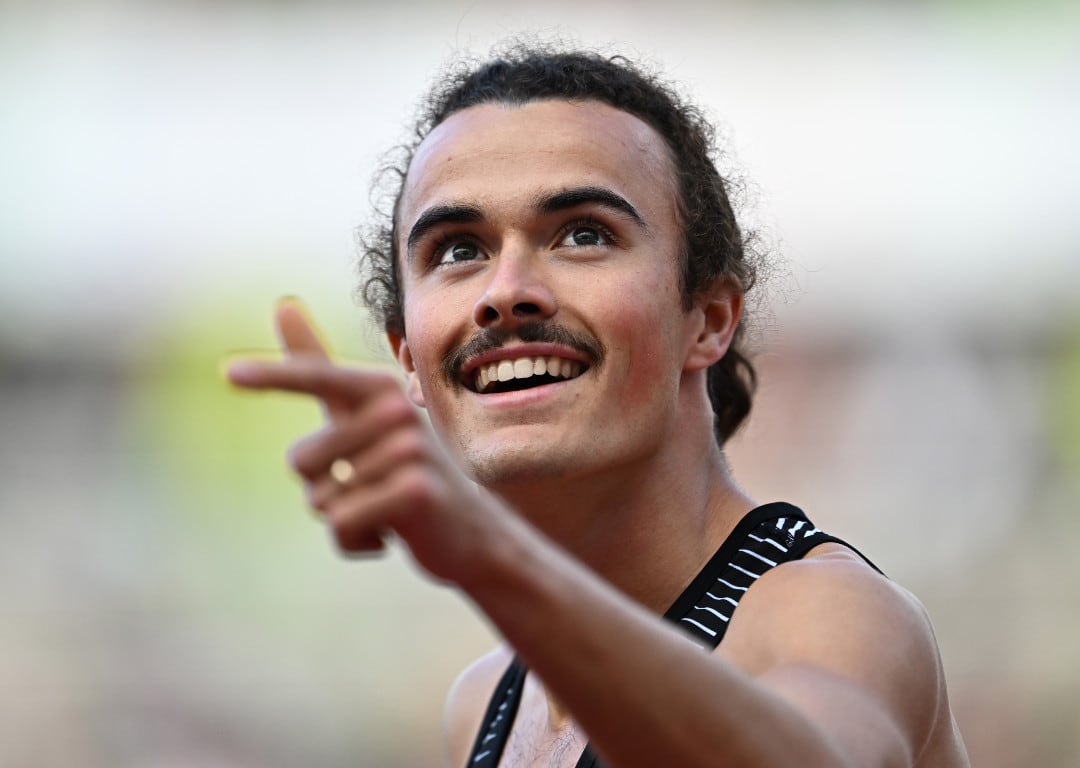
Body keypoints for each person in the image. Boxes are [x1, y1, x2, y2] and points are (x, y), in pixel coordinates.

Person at [228, 45, 969, 767]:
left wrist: (487, 556)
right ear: (407, 358)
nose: (505, 290)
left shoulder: (826, 614)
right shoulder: (483, 705)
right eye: (458, 249)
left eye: (584, 235)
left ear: (708, 319)